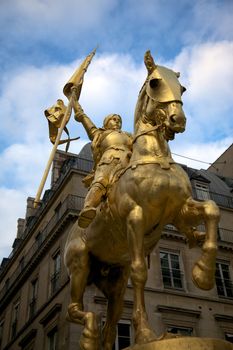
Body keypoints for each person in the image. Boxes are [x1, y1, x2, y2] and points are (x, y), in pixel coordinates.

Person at [73, 99, 133, 228]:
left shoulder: (129, 136)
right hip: (109, 160)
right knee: (101, 181)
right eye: (114, 119)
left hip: (128, 161)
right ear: (106, 123)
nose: (117, 122)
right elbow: (84, 119)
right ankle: (88, 207)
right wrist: (76, 106)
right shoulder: (100, 134)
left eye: (119, 120)